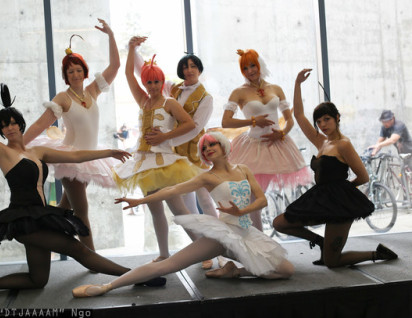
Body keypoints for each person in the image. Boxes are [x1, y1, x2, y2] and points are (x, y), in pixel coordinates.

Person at [0, 69, 164, 295]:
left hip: (39, 215)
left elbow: (74, 156)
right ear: (1, 131)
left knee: (37, 279)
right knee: (77, 249)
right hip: (22, 218)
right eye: (5, 125)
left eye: (14, 122)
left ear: (21, 125)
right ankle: (137, 276)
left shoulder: (37, 151)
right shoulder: (1, 152)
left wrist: (107, 152)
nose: (10, 127)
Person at [71, 131, 294, 298]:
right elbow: (172, 190)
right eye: (204, 149)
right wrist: (140, 200)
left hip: (247, 234)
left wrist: (242, 211)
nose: (208, 150)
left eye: (211, 144)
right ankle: (107, 287)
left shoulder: (243, 169)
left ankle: (233, 271)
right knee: (169, 265)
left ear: (223, 145)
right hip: (223, 234)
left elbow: (262, 199)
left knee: (285, 270)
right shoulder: (207, 177)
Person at [272, 69, 398, 268]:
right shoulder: (321, 142)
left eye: (327, 119)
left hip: (338, 203)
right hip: (320, 197)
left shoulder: (343, 144)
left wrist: (343, 193)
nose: (322, 124)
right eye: (319, 121)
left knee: (332, 262)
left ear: (337, 118)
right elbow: (298, 114)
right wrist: (297, 83)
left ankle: (377, 253)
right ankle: (320, 241)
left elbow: (363, 176)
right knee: (279, 223)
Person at [23, 19, 120, 251]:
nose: (75, 74)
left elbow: (115, 66)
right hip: (70, 159)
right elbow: (39, 124)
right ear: (66, 75)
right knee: (81, 212)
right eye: (70, 71)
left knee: (65, 209)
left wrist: (111, 35)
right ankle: (92, 257)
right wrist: (18, 145)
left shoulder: (92, 91)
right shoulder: (63, 98)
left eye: (78, 69)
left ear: (84, 71)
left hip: (88, 157)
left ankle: (39, 227)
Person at [112, 36, 200, 262]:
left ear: (162, 82)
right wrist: (131, 48)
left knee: (178, 208)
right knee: (154, 209)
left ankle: (203, 251)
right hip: (144, 162)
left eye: (156, 82)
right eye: (149, 82)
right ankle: (163, 254)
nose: (152, 86)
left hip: (164, 162)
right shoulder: (143, 100)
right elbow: (127, 75)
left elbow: (190, 124)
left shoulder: (170, 102)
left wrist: (166, 136)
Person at [135, 47, 218, 269]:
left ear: (199, 69)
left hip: (191, 152)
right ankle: (182, 251)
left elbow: (195, 127)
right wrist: (133, 49)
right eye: (185, 66)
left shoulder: (205, 98)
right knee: (179, 206)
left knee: (204, 201)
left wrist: (167, 140)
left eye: (192, 66)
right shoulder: (173, 89)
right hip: (163, 155)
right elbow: (146, 73)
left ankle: (212, 247)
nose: (188, 70)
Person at [222, 49, 311, 232]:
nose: (250, 71)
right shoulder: (239, 92)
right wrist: (253, 121)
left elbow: (290, 119)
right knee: (252, 197)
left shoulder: (275, 88)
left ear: (260, 64)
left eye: (252, 65)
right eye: (245, 68)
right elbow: (226, 121)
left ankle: (259, 237)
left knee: (257, 198)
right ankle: (256, 237)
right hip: (252, 148)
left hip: (277, 146)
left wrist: (282, 133)